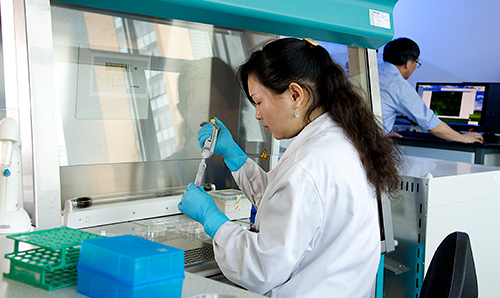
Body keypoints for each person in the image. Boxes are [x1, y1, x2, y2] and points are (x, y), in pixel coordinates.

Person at [178, 37, 401, 298]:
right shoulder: (336, 140)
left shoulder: (311, 164)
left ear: (296, 95)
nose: (258, 115)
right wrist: (235, 157)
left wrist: (213, 220)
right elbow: (285, 204)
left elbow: (261, 268)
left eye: (259, 102)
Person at [378, 37, 483, 143]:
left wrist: (381, 134)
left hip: (365, 140)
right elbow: (433, 125)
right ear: (408, 63)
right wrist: (464, 138)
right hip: (368, 146)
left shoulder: (372, 72)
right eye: (416, 63)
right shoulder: (399, 86)